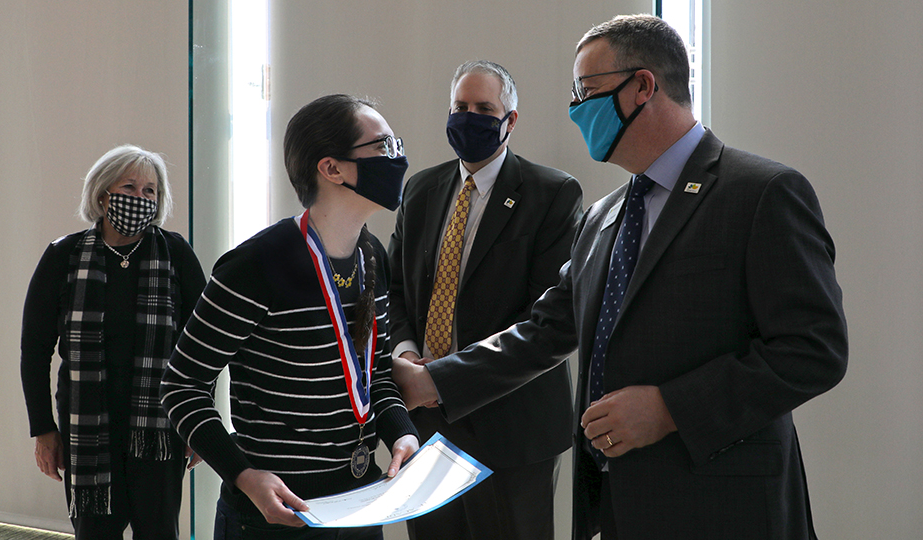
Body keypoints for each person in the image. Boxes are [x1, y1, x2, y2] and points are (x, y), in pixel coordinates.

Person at [393, 15, 847, 540]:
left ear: (643, 87)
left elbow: (815, 349)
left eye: (586, 91)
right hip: (619, 506)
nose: (574, 109)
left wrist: (669, 408)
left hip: (727, 505)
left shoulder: (761, 193)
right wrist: (435, 381)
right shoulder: (604, 216)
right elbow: (544, 330)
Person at [161, 94, 420, 540]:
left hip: (358, 500)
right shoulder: (255, 265)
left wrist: (401, 433)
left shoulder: (372, 254)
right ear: (332, 168)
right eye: (383, 147)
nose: (397, 159)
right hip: (274, 513)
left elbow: (372, 374)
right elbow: (182, 386)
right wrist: (244, 476)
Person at [388, 60, 582, 540]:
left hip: (512, 428)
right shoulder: (421, 189)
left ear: (510, 120)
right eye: (460, 107)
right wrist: (407, 354)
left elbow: (548, 321)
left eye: (484, 108)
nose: (469, 116)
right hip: (426, 421)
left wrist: (442, 379)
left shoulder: (553, 194)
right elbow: (392, 292)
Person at [20, 145, 206, 539]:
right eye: (130, 186)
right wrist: (43, 429)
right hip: (86, 429)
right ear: (103, 194)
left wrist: (198, 426)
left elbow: (202, 349)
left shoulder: (176, 254)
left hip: (160, 430)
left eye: (150, 191)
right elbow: (34, 351)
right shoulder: (63, 256)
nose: (140, 198)